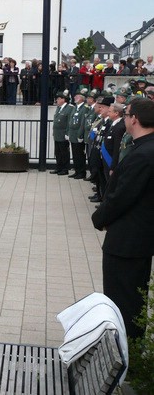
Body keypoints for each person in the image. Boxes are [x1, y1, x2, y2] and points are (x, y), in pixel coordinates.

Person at [92, 98, 154, 340]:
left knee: (124, 301)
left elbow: (122, 196)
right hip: (135, 239)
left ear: (134, 119)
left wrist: (99, 217)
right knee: (130, 299)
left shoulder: (143, 154)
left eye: (126, 114)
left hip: (128, 242)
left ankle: (126, 349)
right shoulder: (144, 148)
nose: (125, 118)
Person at [67, 88, 89, 179]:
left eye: (77, 96)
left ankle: (81, 172)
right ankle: (77, 171)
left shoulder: (84, 108)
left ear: (82, 98)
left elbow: (83, 123)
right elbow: (70, 121)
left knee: (80, 154)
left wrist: (80, 134)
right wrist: (68, 133)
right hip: (73, 134)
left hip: (78, 134)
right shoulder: (75, 107)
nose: (75, 97)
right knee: (75, 154)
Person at [50, 90, 73, 175]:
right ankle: (59, 167)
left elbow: (69, 121)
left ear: (63, 99)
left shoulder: (69, 108)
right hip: (57, 134)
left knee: (64, 152)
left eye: (58, 99)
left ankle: (65, 169)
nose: (57, 100)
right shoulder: (59, 108)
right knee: (58, 152)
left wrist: (67, 133)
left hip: (63, 134)